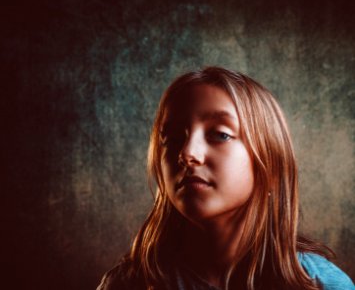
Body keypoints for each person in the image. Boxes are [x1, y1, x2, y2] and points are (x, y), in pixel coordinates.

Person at [97, 67, 354, 290]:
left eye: (220, 134)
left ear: (270, 162)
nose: (187, 153)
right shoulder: (129, 283)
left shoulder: (321, 284)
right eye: (174, 138)